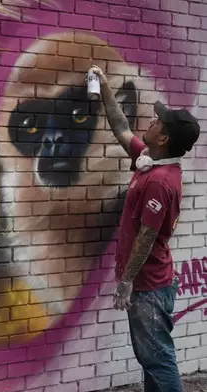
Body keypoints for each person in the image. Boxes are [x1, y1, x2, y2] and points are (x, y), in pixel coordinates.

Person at [90, 65, 201, 391]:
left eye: (157, 122)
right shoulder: (149, 160)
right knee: (150, 359)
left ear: (164, 138)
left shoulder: (159, 182)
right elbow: (120, 127)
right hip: (151, 282)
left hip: (148, 286)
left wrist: (126, 282)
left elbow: (148, 236)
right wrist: (105, 86)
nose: (151, 121)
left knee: (157, 358)